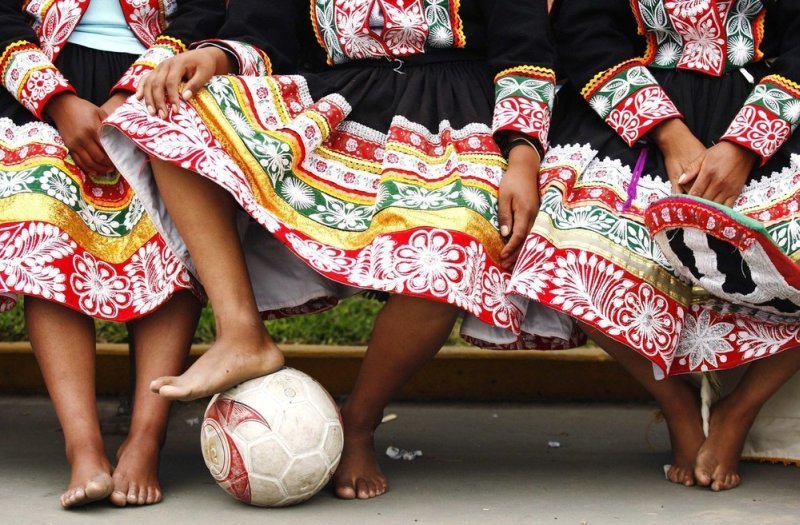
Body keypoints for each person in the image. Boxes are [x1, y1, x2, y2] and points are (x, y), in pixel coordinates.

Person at [102, 0, 570, 500]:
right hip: (340, 101)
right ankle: (241, 334)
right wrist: (214, 60)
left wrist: (522, 153)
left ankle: (360, 421)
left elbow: (524, 50)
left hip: (456, 119)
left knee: (451, 248)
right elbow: (264, 30)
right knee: (173, 115)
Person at [507, 0, 800, 491]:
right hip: (636, 119)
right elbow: (584, 30)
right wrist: (667, 133)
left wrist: (746, 145)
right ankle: (677, 406)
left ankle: (739, 410)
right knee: (563, 249)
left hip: (770, 113)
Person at [0, 0, 223, 508]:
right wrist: (55, 99)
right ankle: (83, 444)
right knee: (46, 223)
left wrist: (136, 88)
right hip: (42, 81)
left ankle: (147, 436)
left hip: (162, 78)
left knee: (171, 224)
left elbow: (204, 10)